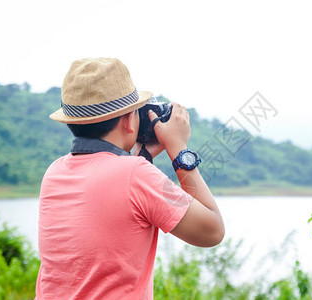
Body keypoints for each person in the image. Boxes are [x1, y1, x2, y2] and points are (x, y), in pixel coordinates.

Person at [35, 57, 225, 299]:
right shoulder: (136, 175)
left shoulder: (54, 172)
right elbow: (211, 231)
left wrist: (142, 155)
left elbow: (118, 201)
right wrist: (178, 149)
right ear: (127, 120)